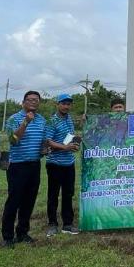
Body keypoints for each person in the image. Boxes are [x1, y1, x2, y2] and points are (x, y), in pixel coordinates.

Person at [1, 90, 48, 247]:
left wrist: (44, 149)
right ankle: (7, 236)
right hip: (17, 165)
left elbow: (42, 141)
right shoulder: (14, 119)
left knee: (29, 200)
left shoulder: (42, 120)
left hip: (34, 164)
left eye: (36, 100)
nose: (33, 102)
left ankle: (22, 232)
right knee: (14, 200)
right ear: (23, 102)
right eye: (30, 100)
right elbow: (13, 140)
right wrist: (25, 123)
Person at [45, 93, 81, 236]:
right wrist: (64, 147)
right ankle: (52, 224)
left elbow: (69, 137)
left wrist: (73, 145)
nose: (66, 106)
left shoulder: (69, 119)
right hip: (55, 163)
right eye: (64, 103)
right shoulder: (52, 121)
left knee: (68, 194)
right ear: (57, 104)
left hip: (69, 163)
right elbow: (48, 141)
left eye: (68, 104)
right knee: (53, 195)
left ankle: (67, 224)